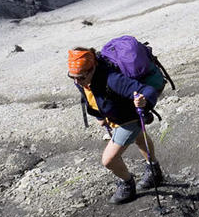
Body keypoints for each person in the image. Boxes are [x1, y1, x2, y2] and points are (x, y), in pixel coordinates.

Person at [68, 48, 163, 204]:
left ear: (92, 69)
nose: (77, 82)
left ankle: (127, 184)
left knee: (109, 160)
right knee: (140, 139)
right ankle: (154, 171)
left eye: (81, 77)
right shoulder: (81, 79)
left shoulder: (112, 79)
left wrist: (143, 99)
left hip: (129, 119)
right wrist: (99, 115)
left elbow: (147, 90)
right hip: (116, 116)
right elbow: (89, 97)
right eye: (72, 77)